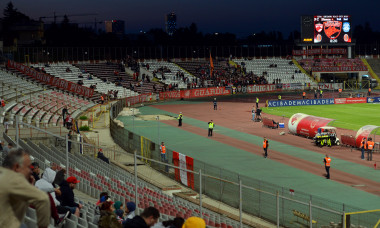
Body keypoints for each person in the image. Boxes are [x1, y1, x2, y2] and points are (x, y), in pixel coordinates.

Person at [0, 148, 51, 228]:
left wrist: (29, 187)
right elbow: (43, 199)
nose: (30, 171)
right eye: (27, 167)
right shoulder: (14, 178)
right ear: (16, 167)